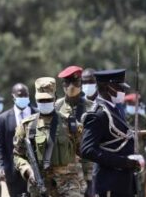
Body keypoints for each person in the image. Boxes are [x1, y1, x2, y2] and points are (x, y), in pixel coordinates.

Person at [13, 77, 85, 197]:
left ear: (55, 98)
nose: (44, 103)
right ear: (35, 100)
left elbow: (84, 151)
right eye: (41, 100)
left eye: (48, 100)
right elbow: (17, 155)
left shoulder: (70, 123)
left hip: (67, 185)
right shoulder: (26, 126)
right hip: (38, 185)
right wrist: (28, 171)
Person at [80, 69, 142, 197]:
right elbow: (87, 150)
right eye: (119, 87)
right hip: (109, 182)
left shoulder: (115, 108)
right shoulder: (98, 114)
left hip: (124, 182)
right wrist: (122, 162)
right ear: (106, 87)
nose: (123, 91)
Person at [55, 65, 94, 194]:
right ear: (62, 85)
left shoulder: (92, 108)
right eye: (67, 82)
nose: (71, 86)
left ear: (81, 83)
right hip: (64, 173)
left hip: (89, 170)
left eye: (75, 82)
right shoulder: (56, 107)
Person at [0, 83, 35, 197]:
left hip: (35, 171)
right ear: (13, 97)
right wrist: (0, 167)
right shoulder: (3, 119)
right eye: (20, 96)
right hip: (12, 173)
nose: (23, 98)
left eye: (26, 95)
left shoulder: (37, 114)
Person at [124, 93, 146, 195]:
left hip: (141, 154)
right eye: (132, 104)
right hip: (126, 155)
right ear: (127, 103)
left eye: (136, 104)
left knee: (141, 182)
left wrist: (143, 134)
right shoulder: (122, 117)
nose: (134, 106)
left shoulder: (142, 118)